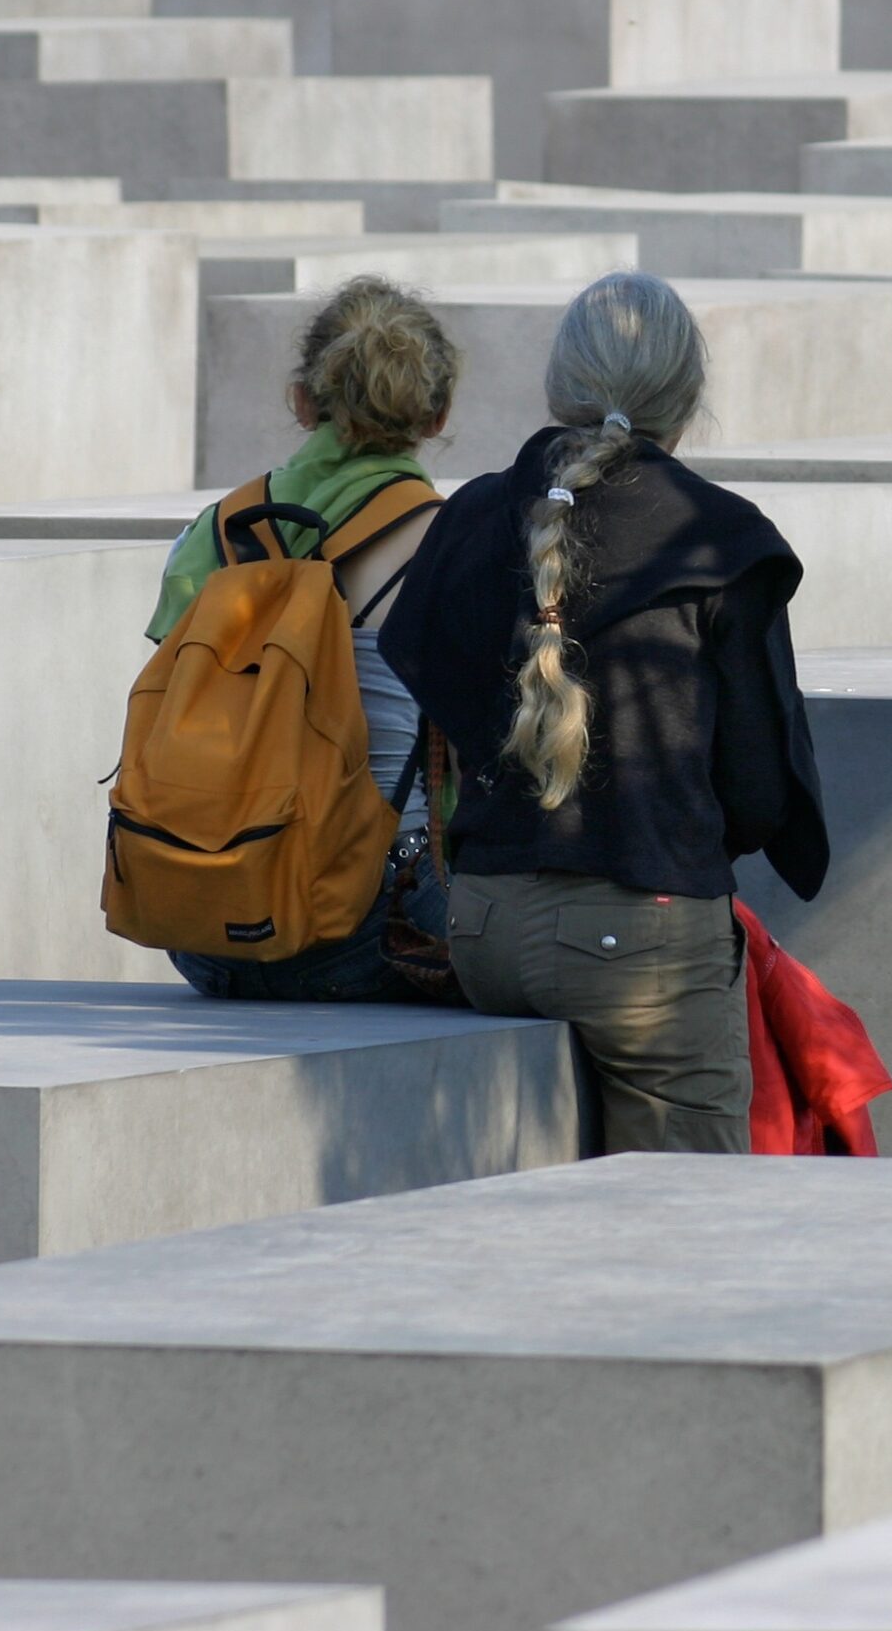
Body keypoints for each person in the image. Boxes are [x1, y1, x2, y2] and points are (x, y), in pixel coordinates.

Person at [381, 271, 829, 1153]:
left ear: (560, 385)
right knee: (682, 1227)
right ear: (687, 396)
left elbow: (430, 691)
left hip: (483, 933)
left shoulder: (471, 514)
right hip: (650, 939)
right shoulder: (719, 539)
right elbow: (760, 795)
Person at [150, 275, 457, 1002]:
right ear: (437, 414)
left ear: (300, 399)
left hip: (201, 927)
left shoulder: (214, 533)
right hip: (373, 924)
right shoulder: (452, 544)